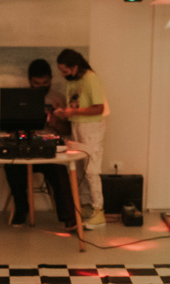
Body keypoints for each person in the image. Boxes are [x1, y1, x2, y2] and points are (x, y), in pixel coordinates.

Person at [3, 59, 75, 228]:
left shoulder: (58, 98)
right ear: (30, 81)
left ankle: (68, 216)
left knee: (59, 171)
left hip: (48, 150)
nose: (41, 87)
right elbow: (9, 127)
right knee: (11, 166)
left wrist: (55, 123)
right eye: (37, 83)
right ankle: (21, 208)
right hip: (25, 148)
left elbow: (67, 130)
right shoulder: (20, 98)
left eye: (45, 83)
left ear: (51, 79)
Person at [54, 49, 108, 230]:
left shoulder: (90, 78)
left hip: (92, 128)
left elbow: (99, 108)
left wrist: (74, 111)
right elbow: (75, 106)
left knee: (92, 169)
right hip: (76, 127)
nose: (63, 74)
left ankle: (98, 210)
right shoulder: (72, 81)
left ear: (75, 66)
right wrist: (64, 112)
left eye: (65, 70)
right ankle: (85, 207)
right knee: (79, 170)